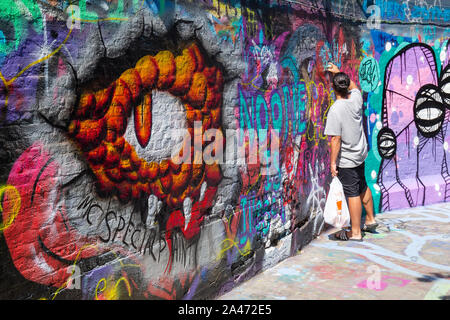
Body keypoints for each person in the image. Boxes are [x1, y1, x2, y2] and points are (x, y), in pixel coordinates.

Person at [324, 62, 378, 241]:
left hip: (347, 159)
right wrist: (339, 72)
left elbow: (335, 139)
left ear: (333, 88)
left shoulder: (335, 110)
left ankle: (355, 233)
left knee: (352, 193)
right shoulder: (356, 99)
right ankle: (370, 219)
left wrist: (332, 163)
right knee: (362, 185)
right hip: (360, 155)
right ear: (346, 87)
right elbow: (354, 86)